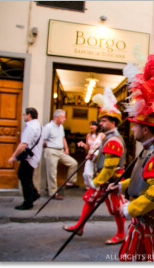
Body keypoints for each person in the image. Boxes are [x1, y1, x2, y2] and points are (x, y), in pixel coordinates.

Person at [109, 111, 154, 262]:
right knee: (141, 255)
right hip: (144, 213)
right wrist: (121, 187)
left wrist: (130, 208)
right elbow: (142, 179)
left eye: (135, 126)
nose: (132, 129)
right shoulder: (150, 150)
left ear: (145, 130)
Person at [62, 87, 127, 245]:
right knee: (89, 199)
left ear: (113, 122)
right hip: (102, 177)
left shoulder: (113, 140)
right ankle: (79, 227)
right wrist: (94, 155)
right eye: (101, 120)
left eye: (104, 121)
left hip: (110, 178)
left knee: (116, 207)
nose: (101, 123)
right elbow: (104, 157)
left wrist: (96, 182)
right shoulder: (108, 137)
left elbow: (110, 167)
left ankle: (121, 234)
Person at [8, 107, 43, 210]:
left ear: (29, 115)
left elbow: (23, 144)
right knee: (24, 176)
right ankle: (34, 194)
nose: (23, 116)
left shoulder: (31, 127)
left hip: (28, 157)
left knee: (25, 179)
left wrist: (13, 156)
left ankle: (28, 202)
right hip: (34, 155)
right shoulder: (39, 126)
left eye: (24, 114)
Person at [43, 109, 78, 200]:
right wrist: (49, 147)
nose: (65, 119)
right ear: (57, 117)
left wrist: (66, 148)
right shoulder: (48, 127)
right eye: (63, 117)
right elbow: (43, 140)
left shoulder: (60, 126)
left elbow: (63, 138)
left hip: (60, 151)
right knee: (52, 173)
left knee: (73, 163)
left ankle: (70, 182)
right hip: (51, 151)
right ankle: (53, 193)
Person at [77, 120, 105, 188]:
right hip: (90, 156)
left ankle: (97, 188)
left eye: (93, 125)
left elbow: (104, 146)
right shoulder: (88, 135)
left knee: (98, 174)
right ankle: (91, 187)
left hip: (98, 157)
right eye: (90, 125)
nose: (91, 126)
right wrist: (82, 144)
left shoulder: (102, 135)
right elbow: (87, 147)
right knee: (87, 174)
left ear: (97, 126)